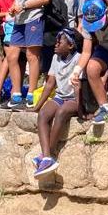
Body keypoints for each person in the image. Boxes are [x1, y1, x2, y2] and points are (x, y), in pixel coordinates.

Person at [5, 0, 50, 109]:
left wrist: (23, 5)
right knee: (12, 55)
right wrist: (13, 8)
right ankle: (16, 93)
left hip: (34, 17)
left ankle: (31, 92)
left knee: (32, 56)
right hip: (19, 19)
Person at [33, 30, 82, 177]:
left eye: (59, 42)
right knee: (43, 115)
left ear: (70, 45)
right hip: (60, 96)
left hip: (74, 98)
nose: (56, 44)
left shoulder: (79, 59)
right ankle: (47, 157)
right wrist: (36, 107)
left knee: (61, 113)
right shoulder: (56, 57)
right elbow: (49, 84)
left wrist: (80, 109)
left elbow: (79, 86)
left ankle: (49, 154)